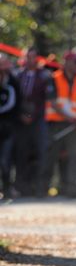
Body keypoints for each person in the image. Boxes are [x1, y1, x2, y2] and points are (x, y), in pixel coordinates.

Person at [44, 50, 76, 197]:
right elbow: (53, 102)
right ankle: (44, 188)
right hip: (56, 124)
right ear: (66, 62)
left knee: (75, 157)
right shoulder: (54, 78)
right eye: (75, 62)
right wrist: (69, 117)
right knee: (51, 157)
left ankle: (72, 189)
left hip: (74, 126)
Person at [14, 47, 50, 198]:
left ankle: (39, 187)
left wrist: (33, 115)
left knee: (40, 153)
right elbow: (15, 98)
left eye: (33, 57)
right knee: (21, 154)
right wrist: (22, 115)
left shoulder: (44, 76)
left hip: (38, 119)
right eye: (28, 57)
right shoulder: (17, 75)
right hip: (20, 121)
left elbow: (46, 99)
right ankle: (21, 187)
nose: (31, 60)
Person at [0, 53, 21, 199]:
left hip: (7, 128)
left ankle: (7, 189)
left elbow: (13, 104)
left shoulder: (13, 82)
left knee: (5, 160)